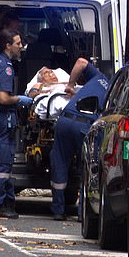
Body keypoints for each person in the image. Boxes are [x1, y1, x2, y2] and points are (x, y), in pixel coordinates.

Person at [49, 57, 109, 221]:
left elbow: (81, 62)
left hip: (64, 120)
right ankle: (83, 214)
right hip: (85, 127)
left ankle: (58, 210)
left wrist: (70, 85)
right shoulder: (113, 91)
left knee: (60, 162)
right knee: (87, 169)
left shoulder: (98, 78)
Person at [0, 28, 33, 219]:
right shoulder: (6, 67)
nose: (21, 47)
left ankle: (7, 202)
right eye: (18, 43)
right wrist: (20, 99)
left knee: (0, 161)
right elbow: (4, 98)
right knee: (3, 163)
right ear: (8, 45)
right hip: (3, 117)